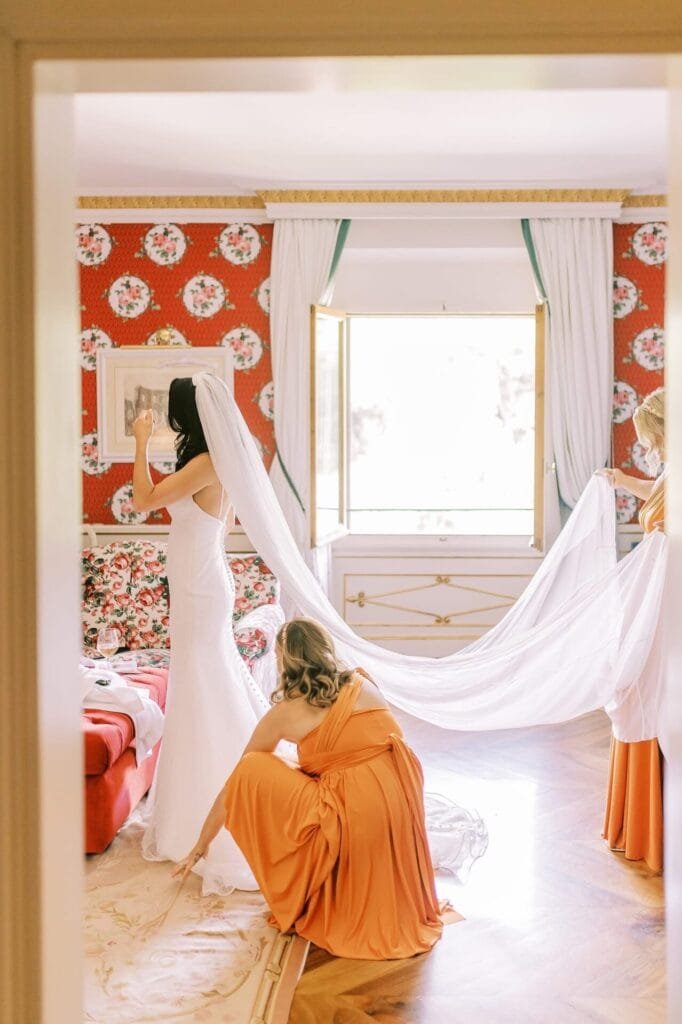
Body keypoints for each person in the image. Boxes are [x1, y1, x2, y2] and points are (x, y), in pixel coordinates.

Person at [173, 617, 445, 959]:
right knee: (305, 771)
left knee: (253, 766)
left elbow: (236, 782)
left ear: (283, 662)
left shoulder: (285, 714)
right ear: (325, 650)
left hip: (356, 813)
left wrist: (201, 844)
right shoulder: (363, 681)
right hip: (401, 795)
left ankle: (310, 880)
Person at [132, 376, 268, 893]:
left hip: (199, 587)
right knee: (199, 687)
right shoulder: (210, 464)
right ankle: (201, 809)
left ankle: (220, 815)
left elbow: (143, 501)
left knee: (204, 687)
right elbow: (218, 525)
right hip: (200, 582)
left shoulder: (207, 464)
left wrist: (141, 442)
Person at [598, 386, 665, 872]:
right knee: (639, 691)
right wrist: (625, 481)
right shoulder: (671, 472)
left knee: (647, 693)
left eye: (648, 437)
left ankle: (653, 821)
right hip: (655, 604)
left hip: (664, 610)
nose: (646, 446)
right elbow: (661, 491)